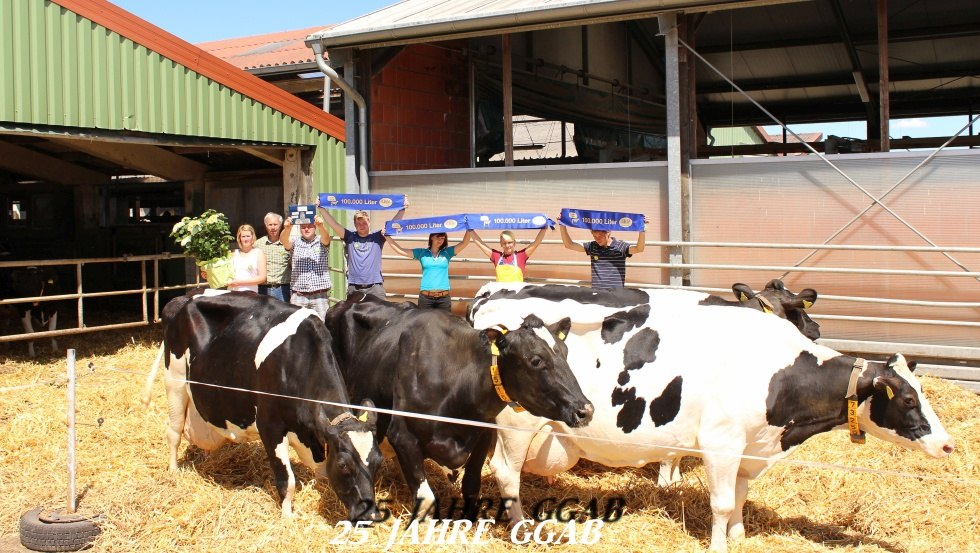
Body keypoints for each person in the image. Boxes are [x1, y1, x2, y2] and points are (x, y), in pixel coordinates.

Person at [319, 201, 408, 300]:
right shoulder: (350, 236)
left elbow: (393, 224)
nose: (361, 225)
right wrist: (321, 208)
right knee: (352, 315)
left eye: (364, 223)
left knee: (381, 314)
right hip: (355, 287)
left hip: (375, 286)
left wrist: (402, 209)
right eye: (358, 223)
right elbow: (333, 224)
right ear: (355, 225)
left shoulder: (378, 236)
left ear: (369, 222)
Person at [384, 229, 473, 311]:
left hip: (444, 299)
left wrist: (469, 229)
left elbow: (464, 243)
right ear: (431, 237)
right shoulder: (422, 253)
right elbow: (400, 250)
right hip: (426, 299)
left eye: (443, 238)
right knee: (424, 327)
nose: (440, 240)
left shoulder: (447, 252)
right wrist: (387, 236)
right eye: (438, 237)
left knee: (444, 326)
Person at [559, 218, 646, 290]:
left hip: (616, 294)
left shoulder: (621, 246)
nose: (597, 239)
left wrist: (642, 230)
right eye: (594, 236)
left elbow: (639, 249)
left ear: (608, 233)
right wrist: (562, 225)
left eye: (600, 236)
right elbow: (569, 245)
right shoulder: (592, 246)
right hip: (597, 294)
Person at [282, 213, 331, 319]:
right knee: (295, 327)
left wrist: (321, 226)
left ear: (315, 227)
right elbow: (284, 241)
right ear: (300, 229)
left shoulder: (320, 241)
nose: (306, 229)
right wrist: (287, 229)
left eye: (310, 226)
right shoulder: (295, 242)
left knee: (322, 326)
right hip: (299, 295)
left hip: (320, 296)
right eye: (303, 227)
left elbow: (326, 238)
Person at [471, 228, 547, 282]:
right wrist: (470, 230)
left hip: (516, 298)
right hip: (500, 297)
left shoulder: (521, 256)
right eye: (504, 243)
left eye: (510, 242)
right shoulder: (496, 256)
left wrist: (544, 228)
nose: (507, 245)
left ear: (514, 243)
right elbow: (481, 244)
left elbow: (536, 243)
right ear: (501, 244)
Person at [255, 212, 291, 302]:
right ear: (265, 225)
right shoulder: (258, 244)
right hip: (263, 289)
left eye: (275, 224)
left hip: (283, 289)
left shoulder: (288, 243)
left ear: (280, 225)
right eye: (270, 224)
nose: (273, 227)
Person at [226, 224, 267, 293]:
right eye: (243, 236)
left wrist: (239, 282)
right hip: (232, 294)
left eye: (248, 236)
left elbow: (262, 278)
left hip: (250, 295)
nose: (246, 239)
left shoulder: (258, 253)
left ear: (252, 237)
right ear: (239, 238)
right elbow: (225, 274)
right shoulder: (233, 254)